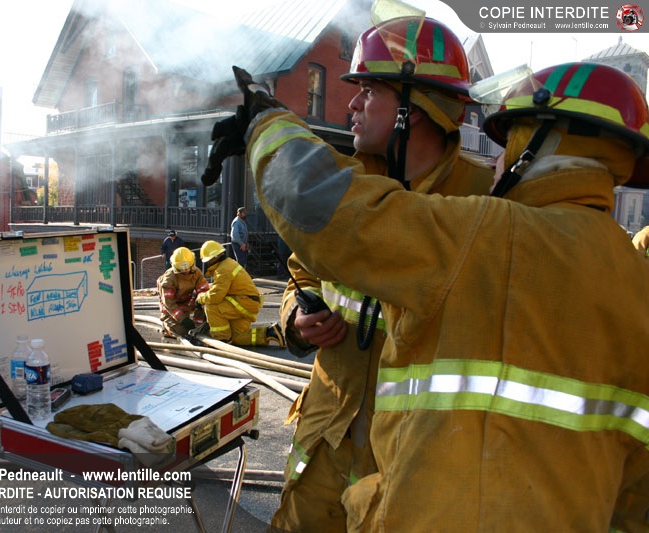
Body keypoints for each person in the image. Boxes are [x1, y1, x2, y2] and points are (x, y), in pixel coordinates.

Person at [226, 57, 649, 530]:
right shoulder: (636, 277)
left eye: (509, 140)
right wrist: (295, 317)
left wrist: (268, 122)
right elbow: (635, 497)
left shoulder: (486, 226)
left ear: (541, 144)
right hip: (335, 442)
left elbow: (312, 201)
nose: (498, 159)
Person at [271, 17, 493, 532]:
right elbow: (301, 272)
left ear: (415, 108)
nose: (351, 104)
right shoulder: (345, 185)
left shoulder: (485, 205)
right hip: (323, 447)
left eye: (369, 91)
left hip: (409, 469)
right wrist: (297, 318)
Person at [195, 240, 284, 347]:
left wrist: (200, 298)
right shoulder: (227, 264)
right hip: (247, 303)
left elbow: (215, 296)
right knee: (238, 337)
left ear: (211, 259)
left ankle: (222, 339)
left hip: (243, 302)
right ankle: (269, 332)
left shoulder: (223, 269)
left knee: (211, 306)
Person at [156, 247, 208, 338]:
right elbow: (169, 304)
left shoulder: (196, 273)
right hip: (171, 309)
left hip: (187, 303)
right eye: (182, 269)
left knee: (203, 307)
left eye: (188, 268)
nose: (186, 271)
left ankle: (197, 327)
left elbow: (204, 290)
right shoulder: (169, 279)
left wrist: (204, 307)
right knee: (182, 332)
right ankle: (167, 327)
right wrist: (183, 319)